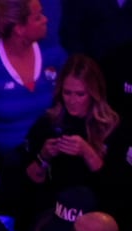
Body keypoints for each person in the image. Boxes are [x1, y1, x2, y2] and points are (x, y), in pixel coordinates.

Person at [0, 0, 66, 170]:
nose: (46, 19)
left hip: (50, 157)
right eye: (37, 17)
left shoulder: (54, 53)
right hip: (3, 161)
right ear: (19, 29)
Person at [22, 55, 118, 201]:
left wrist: (88, 153)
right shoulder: (48, 122)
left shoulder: (110, 126)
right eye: (67, 93)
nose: (72, 101)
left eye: (80, 94)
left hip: (97, 209)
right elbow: (30, 182)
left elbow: (114, 189)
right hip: (54, 204)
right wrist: (43, 157)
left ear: (94, 93)